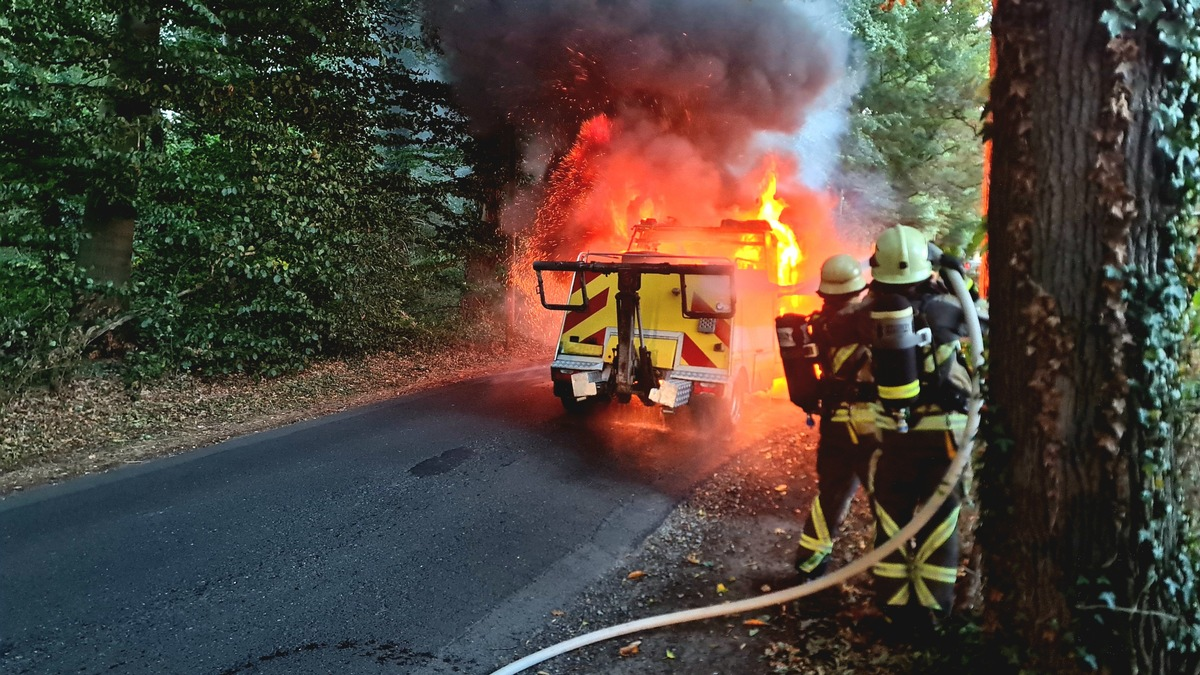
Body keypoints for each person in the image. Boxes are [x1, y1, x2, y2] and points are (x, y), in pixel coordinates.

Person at [864, 224, 976, 631]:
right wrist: (952, 273)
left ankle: (893, 607)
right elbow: (979, 318)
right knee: (941, 518)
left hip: (893, 436)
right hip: (945, 434)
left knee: (891, 517)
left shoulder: (868, 313)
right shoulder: (947, 309)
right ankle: (932, 611)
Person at [793, 254, 879, 580]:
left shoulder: (819, 323)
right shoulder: (863, 319)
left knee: (831, 493)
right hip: (869, 423)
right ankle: (889, 572)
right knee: (885, 498)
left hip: (835, 424)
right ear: (856, 288)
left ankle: (809, 564)